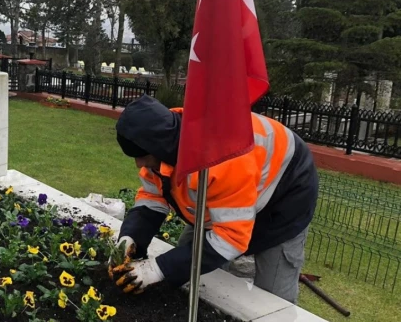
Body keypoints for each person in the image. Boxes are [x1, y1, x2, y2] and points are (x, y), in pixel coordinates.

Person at [108, 95, 318, 304]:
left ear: (158, 147)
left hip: (285, 198)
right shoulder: (163, 136)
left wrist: (158, 269)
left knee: (272, 297)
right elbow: (153, 198)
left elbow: (231, 238)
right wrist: (131, 237)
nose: (138, 164)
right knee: (188, 267)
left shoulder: (223, 157)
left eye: (142, 156)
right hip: (231, 189)